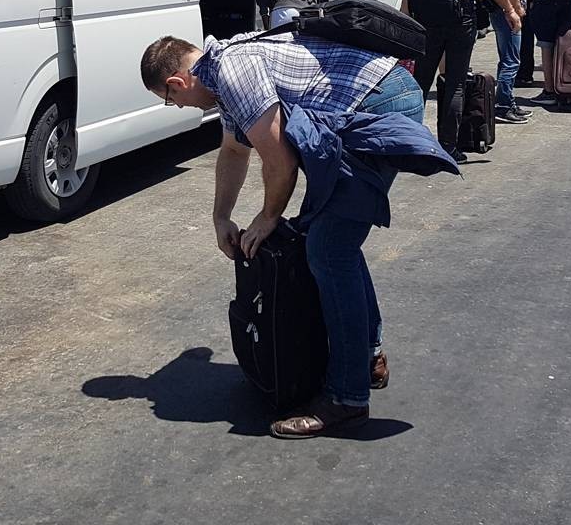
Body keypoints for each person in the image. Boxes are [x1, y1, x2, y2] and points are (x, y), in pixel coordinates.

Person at [139, 31, 454, 439]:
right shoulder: (223, 70)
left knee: (328, 249)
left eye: (170, 100)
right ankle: (368, 357)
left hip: (378, 101)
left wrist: (268, 217)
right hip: (374, 94)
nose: (176, 106)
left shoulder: (233, 72)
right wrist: (221, 217)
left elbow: (280, 163)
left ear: (177, 83)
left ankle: (346, 399)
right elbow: (236, 151)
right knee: (333, 239)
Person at [403, 0, 520, 163]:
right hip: (460, 18)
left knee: (419, 83)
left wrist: (405, 24)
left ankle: (412, 144)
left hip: (425, 21)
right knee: (455, 83)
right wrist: (509, 10)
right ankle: (448, 146)